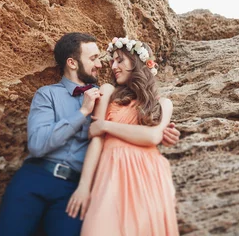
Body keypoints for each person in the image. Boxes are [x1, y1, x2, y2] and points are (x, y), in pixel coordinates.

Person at [0, 33, 180, 236]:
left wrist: (162, 131)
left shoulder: (107, 95)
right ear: (72, 63)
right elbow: (38, 144)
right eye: (93, 59)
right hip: (37, 177)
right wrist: (82, 112)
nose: (101, 65)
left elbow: (138, 121)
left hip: (74, 188)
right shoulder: (48, 94)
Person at [66, 36, 179, 235]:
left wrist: (106, 125)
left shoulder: (163, 104)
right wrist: (84, 186)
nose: (114, 66)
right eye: (112, 62)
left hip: (150, 175)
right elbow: (96, 140)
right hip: (111, 171)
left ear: (137, 63)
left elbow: (152, 137)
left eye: (120, 60)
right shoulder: (108, 92)